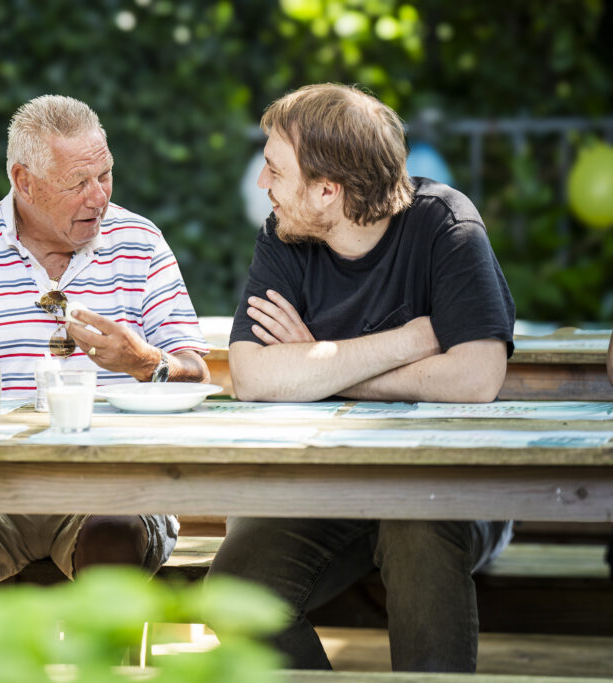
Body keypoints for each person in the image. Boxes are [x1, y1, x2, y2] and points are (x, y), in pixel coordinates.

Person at [208, 84, 516, 672]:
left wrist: (317, 367)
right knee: (236, 590)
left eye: (275, 169)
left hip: (450, 481)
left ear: (327, 190)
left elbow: (477, 376)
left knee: (417, 531)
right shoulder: (284, 235)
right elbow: (252, 375)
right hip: (333, 486)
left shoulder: (448, 227)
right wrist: (410, 341)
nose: (262, 183)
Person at [0, 94, 210, 586]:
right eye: (78, 183)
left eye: (105, 175)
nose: (99, 197)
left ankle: (105, 643)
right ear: (23, 181)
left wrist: (144, 361)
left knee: (114, 535)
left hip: (112, 488)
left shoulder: (140, 242)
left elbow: (195, 371)